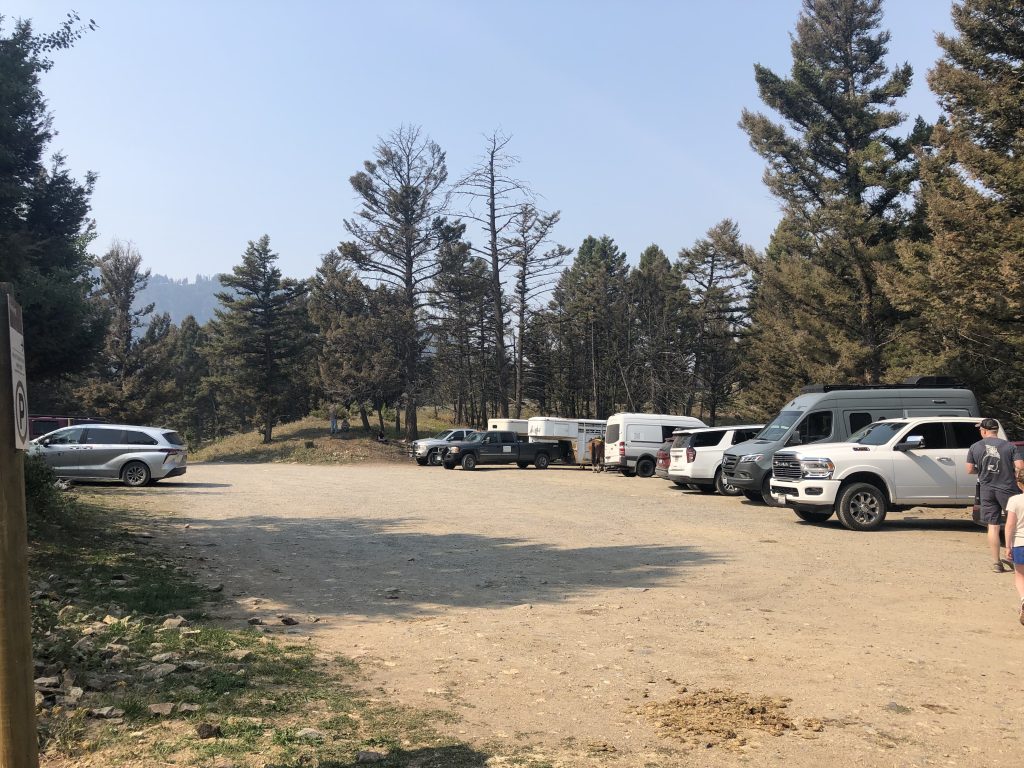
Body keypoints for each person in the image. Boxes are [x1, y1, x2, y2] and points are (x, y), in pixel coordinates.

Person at [967, 418, 1024, 573]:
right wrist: (1016, 476)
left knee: (993, 525)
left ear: (984, 431)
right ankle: (1017, 557)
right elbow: (1020, 466)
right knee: (1016, 523)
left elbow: (969, 469)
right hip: (1008, 489)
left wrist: (983, 471)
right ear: (996, 430)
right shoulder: (1009, 446)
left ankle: (996, 562)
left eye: (980, 430)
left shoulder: (974, 447)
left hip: (987, 490)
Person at [1004, 467, 1024, 624]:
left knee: (1020, 575)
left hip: (1020, 543)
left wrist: (1008, 545)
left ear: (1019, 484)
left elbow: (1010, 525)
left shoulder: (1014, 500)